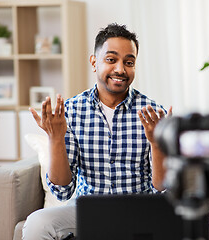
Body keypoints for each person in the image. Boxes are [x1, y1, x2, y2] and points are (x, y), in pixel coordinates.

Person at [23, 23, 172, 239]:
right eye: (111, 60)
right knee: (37, 224)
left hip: (138, 209)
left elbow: (162, 191)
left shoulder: (152, 114)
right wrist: (55, 139)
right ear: (94, 62)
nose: (120, 69)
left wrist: (157, 144)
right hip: (87, 208)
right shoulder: (71, 111)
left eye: (129, 62)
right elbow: (63, 190)